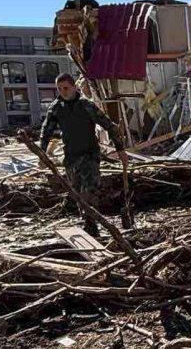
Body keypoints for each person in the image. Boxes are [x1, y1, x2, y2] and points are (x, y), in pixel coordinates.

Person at [40, 73, 127, 237]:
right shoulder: (56, 107)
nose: (63, 92)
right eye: (59, 89)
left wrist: (120, 150)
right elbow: (47, 131)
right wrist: (42, 154)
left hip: (89, 156)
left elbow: (110, 126)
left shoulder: (86, 106)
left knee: (90, 191)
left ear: (73, 87)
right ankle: (88, 223)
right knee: (78, 193)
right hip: (71, 157)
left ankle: (93, 226)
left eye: (66, 88)